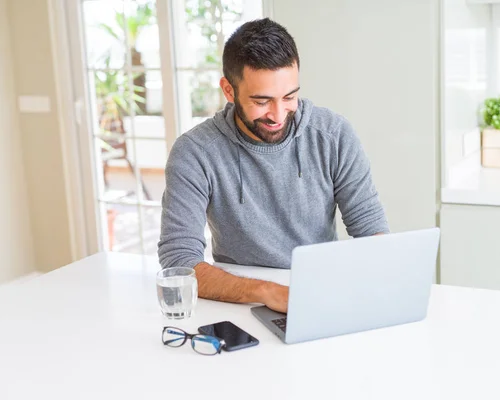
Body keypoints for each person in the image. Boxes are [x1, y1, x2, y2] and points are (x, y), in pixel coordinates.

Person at [158, 18, 389, 313]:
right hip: (235, 301)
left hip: (318, 296)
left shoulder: (333, 135)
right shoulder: (195, 152)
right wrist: (267, 292)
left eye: (289, 96)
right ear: (229, 91)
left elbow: (371, 232)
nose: (278, 115)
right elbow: (179, 262)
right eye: (262, 101)